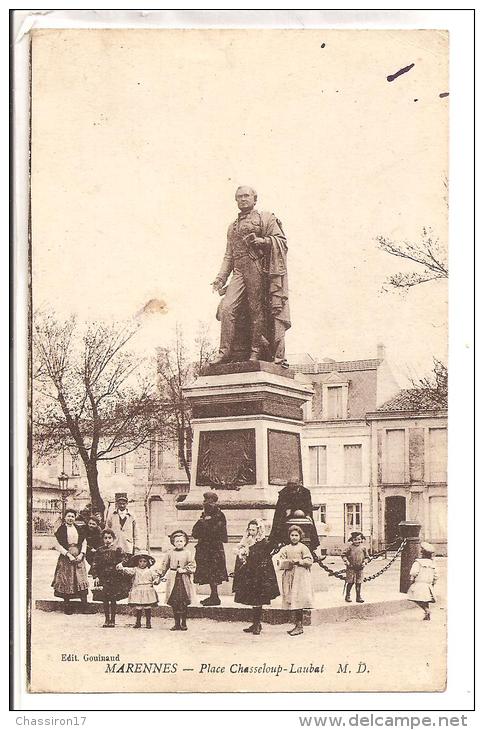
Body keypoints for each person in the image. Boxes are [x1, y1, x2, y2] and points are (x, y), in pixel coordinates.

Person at [211, 186, 291, 365]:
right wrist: (221, 277)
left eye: (247, 196)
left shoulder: (266, 218)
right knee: (226, 308)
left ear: (255, 199)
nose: (243, 199)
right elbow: (228, 255)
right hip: (238, 271)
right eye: (239, 196)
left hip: (257, 268)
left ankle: (255, 351)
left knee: (257, 311)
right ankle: (224, 352)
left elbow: (281, 241)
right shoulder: (232, 227)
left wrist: (262, 241)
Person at [233, 519, 280, 635]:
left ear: (259, 530)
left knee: (258, 599)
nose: (251, 531)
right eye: (250, 529)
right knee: (252, 599)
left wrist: (249, 551)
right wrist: (241, 553)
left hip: (259, 575)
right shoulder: (246, 540)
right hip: (250, 573)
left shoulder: (263, 542)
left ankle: (257, 623)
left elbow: (262, 557)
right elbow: (242, 553)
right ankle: (255, 623)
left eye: (254, 529)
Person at [192, 491, 228, 606]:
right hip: (206, 548)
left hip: (213, 549)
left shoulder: (218, 516)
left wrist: (203, 523)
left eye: (206, 500)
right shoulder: (206, 515)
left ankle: (215, 596)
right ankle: (213, 595)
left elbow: (216, 532)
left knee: (213, 572)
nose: (204, 503)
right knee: (209, 572)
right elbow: (195, 533)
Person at [277, 525, 314, 636]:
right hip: (289, 575)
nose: (294, 537)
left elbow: (309, 560)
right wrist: (284, 562)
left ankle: (299, 625)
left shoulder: (303, 548)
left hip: (300, 576)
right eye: (292, 535)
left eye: (296, 535)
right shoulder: (286, 548)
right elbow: (279, 559)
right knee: (292, 600)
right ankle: (296, 625)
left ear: (300, 536)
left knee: (299, 600)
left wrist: (299, 561)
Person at [51, 508, 89, 614]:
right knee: (67, 580)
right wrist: (68, 555)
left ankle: (84, 606)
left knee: (80, 579)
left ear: (75, 517)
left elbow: (84, 542)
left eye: (72, 516)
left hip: (78, 558)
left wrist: (82, 554)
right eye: (68, 516)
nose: (70, 518)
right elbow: (57, 545)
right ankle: (67, 606)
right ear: (65, 518)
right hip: (66, 558)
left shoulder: (79, 529)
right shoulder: (61, 529)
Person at [159, 530, 196, 632]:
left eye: (181, 541)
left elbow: (193, 566)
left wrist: (184, 570)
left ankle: (183, 623)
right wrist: (160, 575)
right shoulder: (170, 553)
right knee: (175, 602)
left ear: (185, 542)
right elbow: (164, 565)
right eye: (177, 541)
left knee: (183, 602)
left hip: (184, 580)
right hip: (173, 580)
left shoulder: (188, 553)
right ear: (173, 542)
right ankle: (176, 623)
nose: (179, 543)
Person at [268, 481, 320, 555]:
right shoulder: (284, 492)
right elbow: (280, 509)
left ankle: (312, 551)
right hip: (284, 518)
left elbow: (308, 505)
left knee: (301, 515)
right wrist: (288, 510)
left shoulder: (305, 492)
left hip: (301, 514)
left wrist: (307, 514)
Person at [91, 528, 129, 627]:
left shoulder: (117, 549)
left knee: (113, 599)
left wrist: (121, 563)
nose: (107, 540)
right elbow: (95, 563)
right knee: (105, 599)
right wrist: (96, 576)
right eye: (105, 538)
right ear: (102, 539)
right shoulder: (100, 550)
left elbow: (125, 559)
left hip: (114, 577)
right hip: (103, 577)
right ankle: (106, 619)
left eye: (109, 538)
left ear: (113, 539)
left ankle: (113, 620)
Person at [116, 551, 161, 629]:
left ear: (148, 562)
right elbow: (127, 571)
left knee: (147, 607)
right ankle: (138, 622)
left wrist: (157, 580)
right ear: (137, 562)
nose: (142, 563)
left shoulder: (150, 571)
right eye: (140, 561)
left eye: (144, 561)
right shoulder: (135, 570)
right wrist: (121, 567)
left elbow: (156, 577)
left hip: (147, 590)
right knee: (138, 607)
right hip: (138, 589)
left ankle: (148, 622)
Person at [407, 541, 438, 620]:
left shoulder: (418, 563)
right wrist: (433, 583)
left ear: (422, 553)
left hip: (418, 584)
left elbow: (413, 573)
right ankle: (427, 614)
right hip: (428, 584)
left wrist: (411, 581)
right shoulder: (432, 563)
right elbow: (436, 575)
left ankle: (426, 610)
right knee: (426, 599)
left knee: (414, 597)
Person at [342, 531, 370, 603]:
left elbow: (367, 557)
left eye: (358, 539)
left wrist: (365, 562)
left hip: (360, 568)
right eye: (355, 539)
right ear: (352, 540)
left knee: (358, 582)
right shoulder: (349, 547)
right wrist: (346, 561)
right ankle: (347, 595)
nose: (357, 541)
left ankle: (358, 597)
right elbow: (343, 555)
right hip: (351, 567)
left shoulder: (363, 548)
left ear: (361, 539)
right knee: (350, 582)